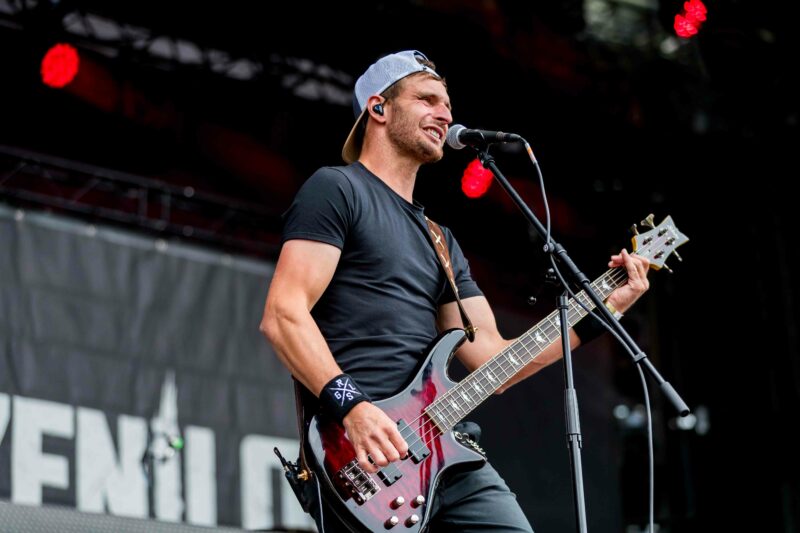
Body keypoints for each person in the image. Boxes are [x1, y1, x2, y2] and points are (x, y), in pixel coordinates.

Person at [260, 50, 650, 532]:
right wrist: (354, 408)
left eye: (447, 104)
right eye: (427, 100)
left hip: (446, 450)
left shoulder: (440, 240)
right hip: (362, 452)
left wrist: (605, 309)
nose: (445, 115)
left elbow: (495, 363)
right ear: (379, 108)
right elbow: (284, 314)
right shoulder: (336, 190)